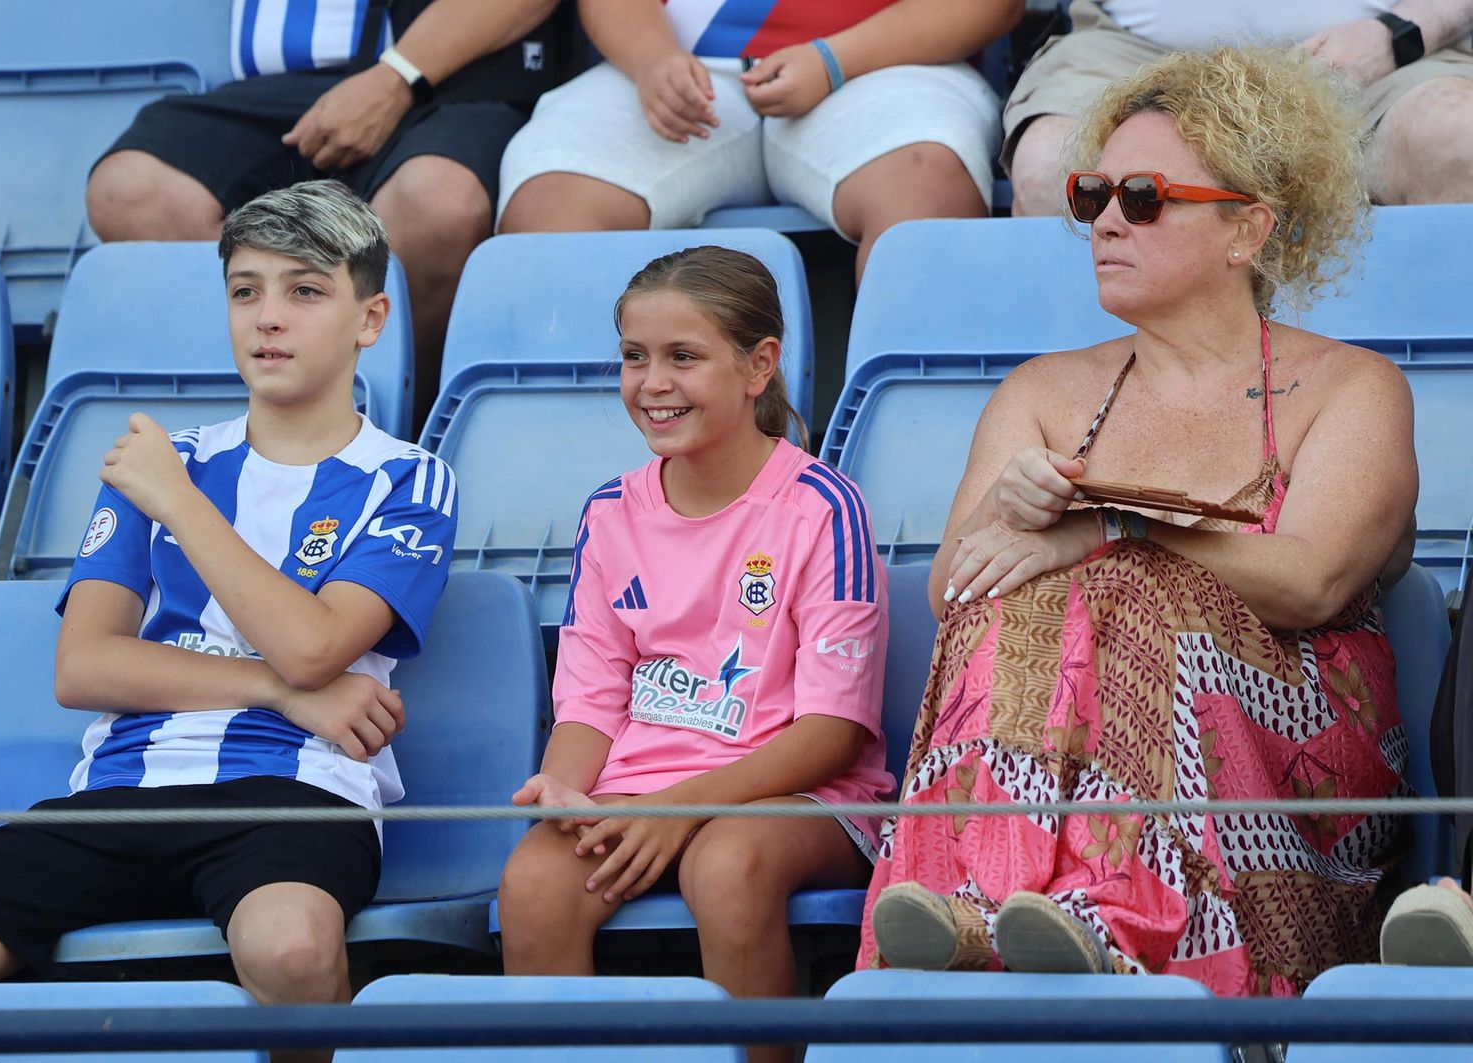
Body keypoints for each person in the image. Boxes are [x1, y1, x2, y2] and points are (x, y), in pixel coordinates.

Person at [858, 47, 1418, 997]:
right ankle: (998, 905)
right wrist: (1009, 511)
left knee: (1126, 585)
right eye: (1092, 196)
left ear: (1247, 228)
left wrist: (1113, 533)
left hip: (1295, 768)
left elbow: (1315, 579)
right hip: (1074, 751)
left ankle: (1098, 914)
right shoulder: (1042, 391)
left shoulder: (1349, 387)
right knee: (1017, 602)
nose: (1107, 221)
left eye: (1146, 197)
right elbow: (955, 594)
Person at [0, 180, 456, 1063]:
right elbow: (86, 668)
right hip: (120, 794)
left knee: (291, 949)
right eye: (246, 290)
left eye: (304, 291)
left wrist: (182, 507)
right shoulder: (164, 461)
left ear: (369, 319)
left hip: (295, 795)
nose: (268, 318)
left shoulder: (407, 478)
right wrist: (283, 690)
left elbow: (315, 644)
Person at [497, 246, 893, 1063]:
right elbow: (592, 695)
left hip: (798, 792)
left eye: (684, 356)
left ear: (760, 366)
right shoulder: (609, 511)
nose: (653, 382)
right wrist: (567, 785)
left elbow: (834, 732)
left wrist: (683, 805)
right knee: (534, 881)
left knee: (727, 861)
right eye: (635, 357)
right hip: (640, 789)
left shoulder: (822, 506)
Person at [86, 0, 575, 431]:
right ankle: (263, 425)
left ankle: (390, 434)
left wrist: (397, 77)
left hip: (457, 77)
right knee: (130, 189)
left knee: (436, 202)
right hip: (286, 87)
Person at [497, 0, 1020, 280]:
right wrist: (650, 57)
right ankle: (584, 471)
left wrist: (833, 61)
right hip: (678, 67)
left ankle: (923, 458)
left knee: (924, 196)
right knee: (547, 211)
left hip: (879, 63)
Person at [1006, 0, 1473, 215]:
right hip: (1130, 49)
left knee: (1457, 139)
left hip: (1386, 47)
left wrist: (1402, 33)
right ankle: (1084, 398)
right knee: (1051, 164)